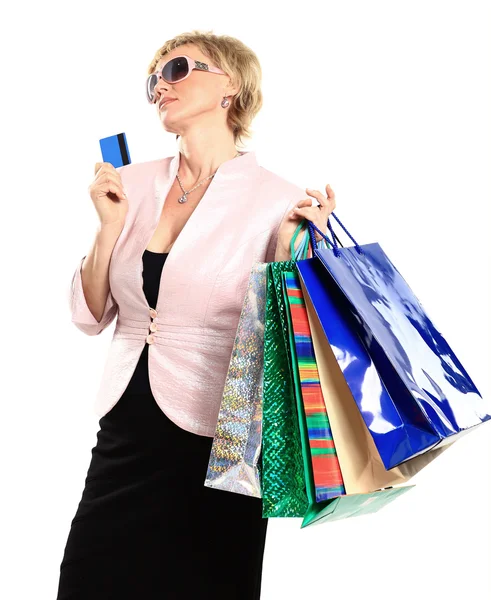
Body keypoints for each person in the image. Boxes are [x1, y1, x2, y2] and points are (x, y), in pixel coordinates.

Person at [56, 29, 336, 599]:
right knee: (89, 578)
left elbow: (284, 340)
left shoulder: (279, 200)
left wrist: (289, 253)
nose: (161, 85)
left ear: (230, 86)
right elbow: (89, 317)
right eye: (153, 78)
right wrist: (108, 233)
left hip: (225, 437)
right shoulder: (129, 184)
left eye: (179, 69)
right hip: (127, 428)